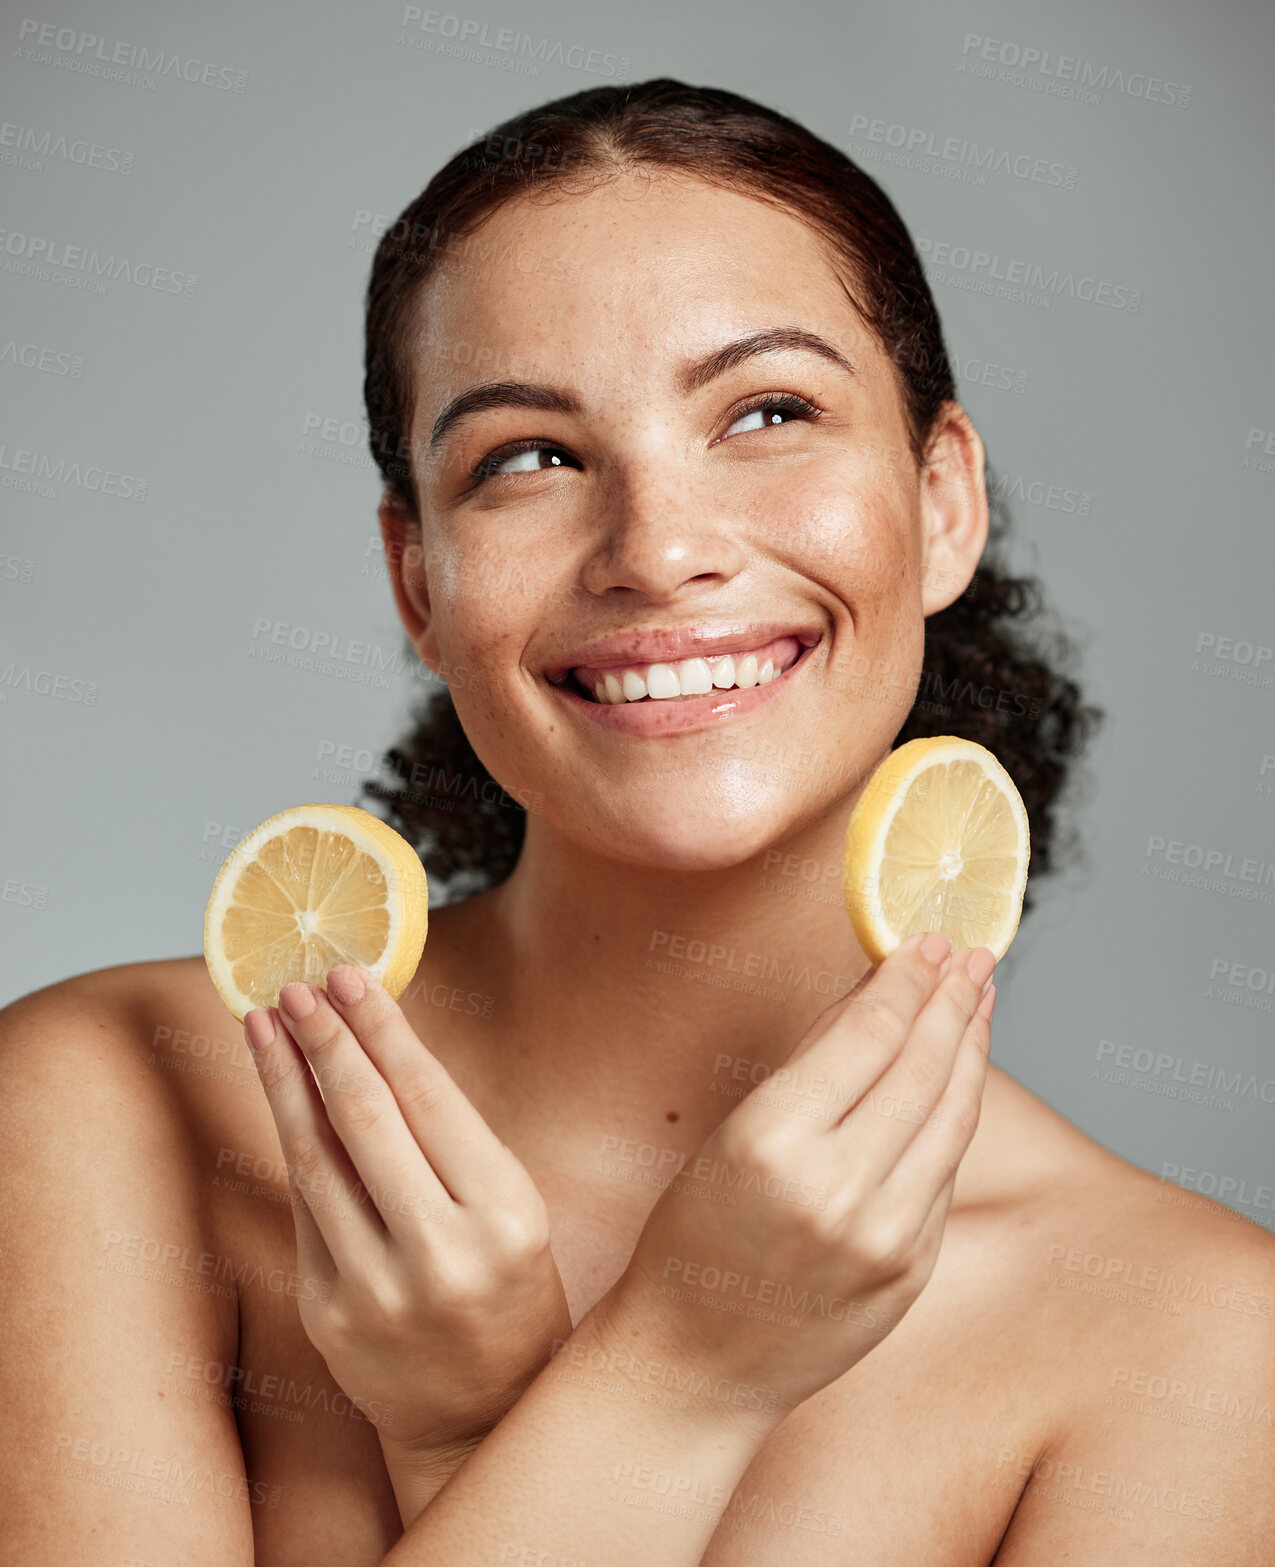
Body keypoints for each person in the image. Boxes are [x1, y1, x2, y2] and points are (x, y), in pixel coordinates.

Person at [3, 80, 1270, 1566]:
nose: (659, 554)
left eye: (769, 413)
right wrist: (675, 1381)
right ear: (421, 584)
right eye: (530, 458)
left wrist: (489, 1439)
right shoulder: (101, 1114)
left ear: (941, 503)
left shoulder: (1194, 1339)